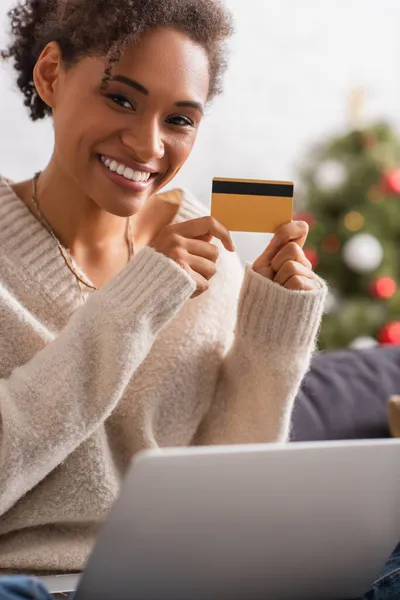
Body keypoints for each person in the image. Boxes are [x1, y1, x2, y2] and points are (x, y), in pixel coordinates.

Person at [0, 0, 329, 582]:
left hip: (178, 580)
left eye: (179, 120)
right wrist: (132, 305)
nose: (148, 146)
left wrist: (271, 344)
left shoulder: (210, 259)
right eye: (121, 99)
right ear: (50, 75)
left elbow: (231, 507)